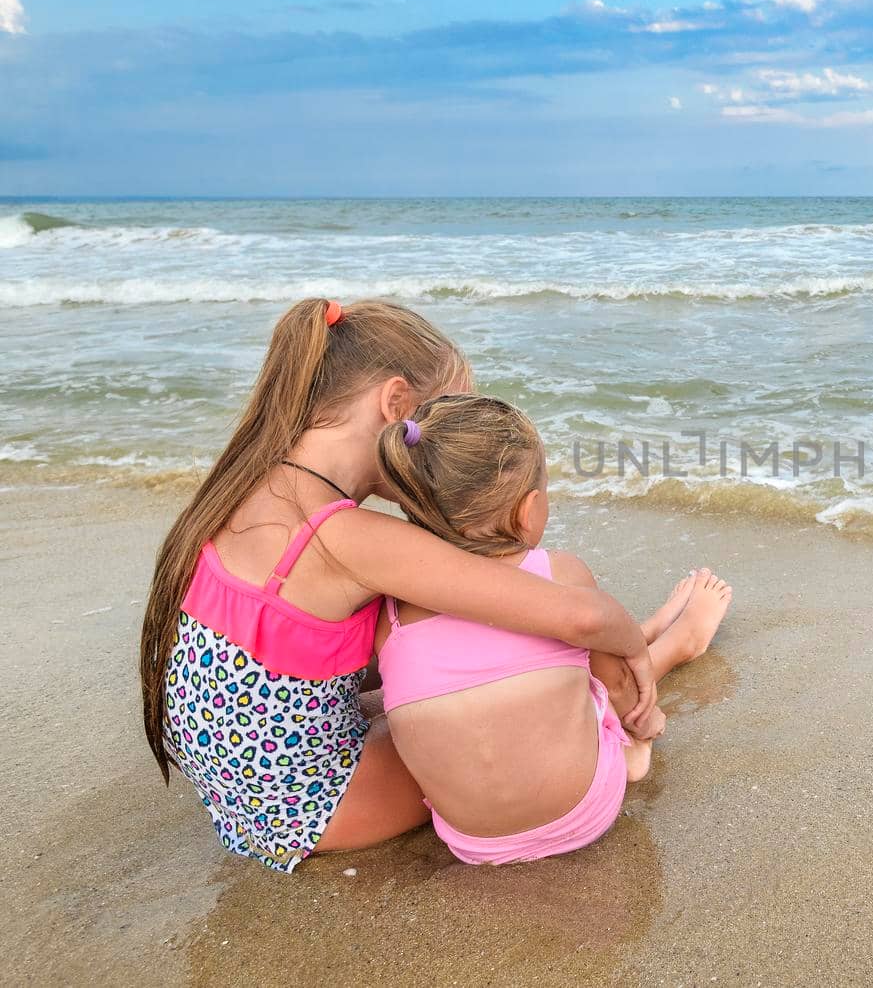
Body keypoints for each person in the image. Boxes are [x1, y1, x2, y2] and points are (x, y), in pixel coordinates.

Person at [141, 299, 666, 872]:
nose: (449, 454)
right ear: (395, 405)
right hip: (317, 809)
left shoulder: (248, 489)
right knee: (514, 694)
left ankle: (653, 637)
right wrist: (632, 645)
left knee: (447, 667)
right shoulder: (348, 536)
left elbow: (298, 660)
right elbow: (574, 617)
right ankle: (668, 647)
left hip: (245, 794)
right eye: (438, 424)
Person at [373, 394, 731, 863]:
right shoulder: (559, 573)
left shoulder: (388, 610)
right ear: (529, 508)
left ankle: (646, 629)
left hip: (471, 843)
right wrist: (644, 725)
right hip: (583, 813)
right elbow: (618, 688)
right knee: (588, 675)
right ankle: (676, 645)